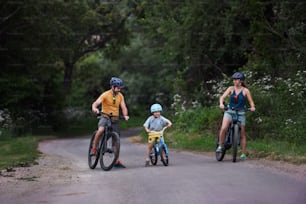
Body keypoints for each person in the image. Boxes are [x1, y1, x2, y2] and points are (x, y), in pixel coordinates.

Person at [216, 72, 255, 160]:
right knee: (224, 128)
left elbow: (251, 101)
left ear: (241, 81)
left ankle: (243, 153)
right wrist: (221, 104)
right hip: (230, 111)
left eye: (236, 79)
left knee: (242, 133)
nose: (234, 81)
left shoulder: (245, 91)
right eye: (234, 79)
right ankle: (220, 145)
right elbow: (222, 97)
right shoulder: (230, 89)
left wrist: (252, 107)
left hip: (241, 113)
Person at [91, 77, 129, 168]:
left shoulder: (120, 96)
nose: (119, 89)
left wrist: (125, 115)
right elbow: (95, 103)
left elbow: (123, 107)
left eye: (120, 88)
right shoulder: (105, 94)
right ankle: (94, 148)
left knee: (116, 140)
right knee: (100, 130)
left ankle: (116, 161)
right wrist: (95, 109)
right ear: (113, 87)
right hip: (105, 116)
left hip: (115, 118)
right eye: (118, 87)